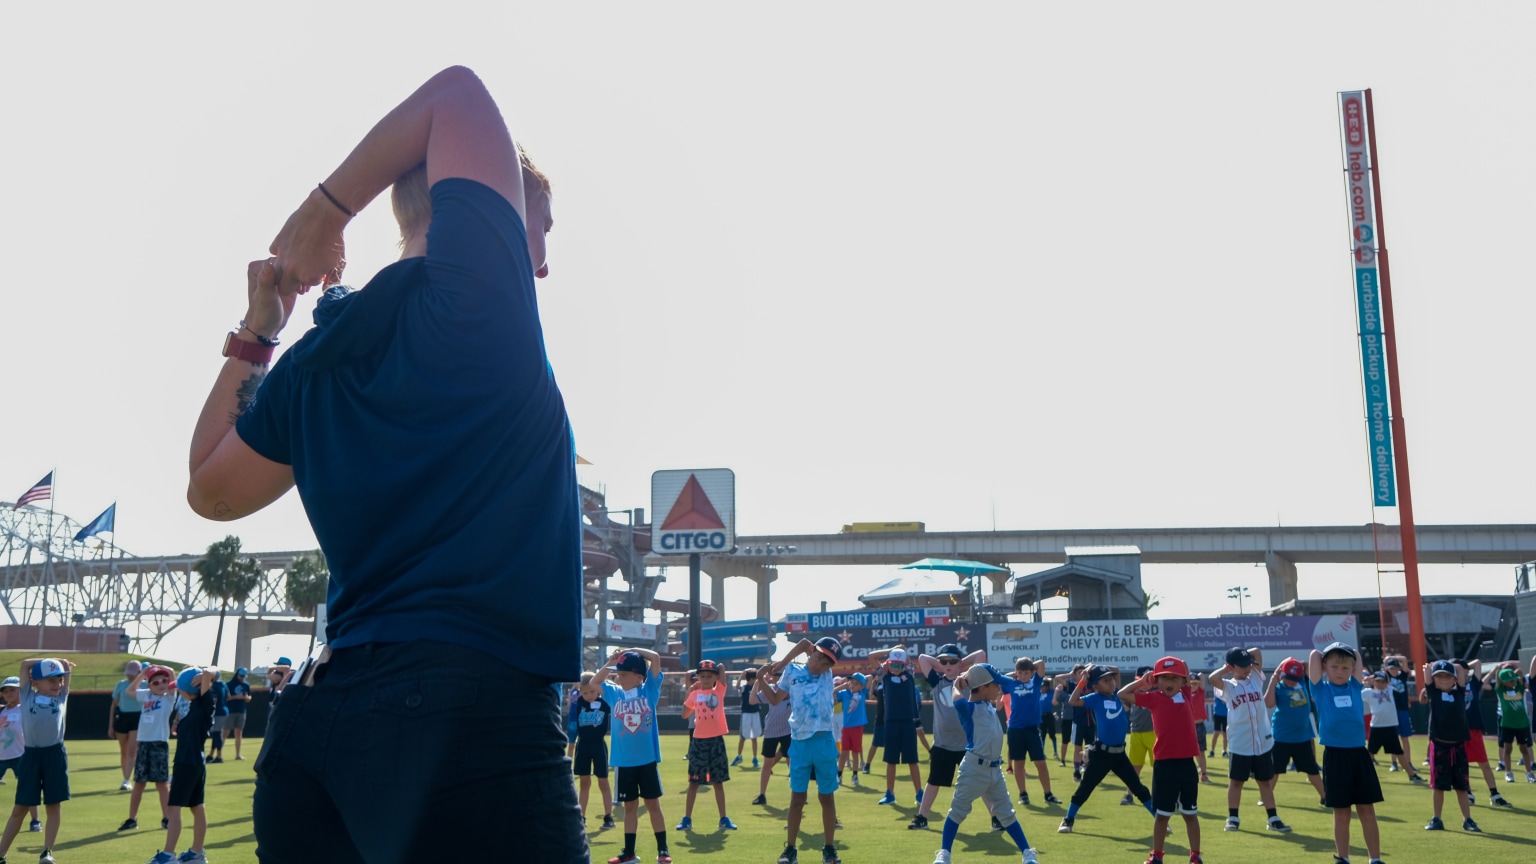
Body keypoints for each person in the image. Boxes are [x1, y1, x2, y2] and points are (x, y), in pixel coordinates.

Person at [186, 67, 581, 862]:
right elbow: (458, 94)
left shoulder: (313, 361)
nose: (540, 265)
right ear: (498, 213)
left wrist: (260, 334)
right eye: (540, 231)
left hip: (317, 732)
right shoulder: (477, 304)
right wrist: (320, 215)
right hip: (467, 724)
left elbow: (211, 492)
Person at [932, 664, 1039, 864]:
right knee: (958, 811)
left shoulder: (987, 703)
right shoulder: (968, 708)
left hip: (995, 770)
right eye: (995, 685)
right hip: (974, 769)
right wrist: (957, 685)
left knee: (1006, 813)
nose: (999, 688)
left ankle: (1027, 854)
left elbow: (999, 680)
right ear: (982, 688)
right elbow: (958, 699)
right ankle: (944, 854)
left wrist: (971, 677)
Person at [758, 637, 845, 864]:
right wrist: (763, 676)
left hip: (824, 741)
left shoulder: (826, 676)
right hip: (799, 743)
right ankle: (790, 849)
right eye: (819, 658)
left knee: (826, 797)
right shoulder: (791, 672)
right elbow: (775, 699)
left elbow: (806, 642)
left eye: (826, 663)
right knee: (797, 798)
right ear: (811, 653)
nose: (820, 665)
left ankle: (829, 848)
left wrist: (781, 663)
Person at [1119, 656, 1204, 864]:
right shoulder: (1153, 697)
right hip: (1164, 765)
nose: (1169, 682)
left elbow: (1185, 665)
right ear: (1156, 681)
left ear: (1183, 681)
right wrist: (1143, 682)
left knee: (1190, 814)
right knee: (1162, 815)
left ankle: (1195, 855)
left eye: (1174, 678)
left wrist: (1178, 667)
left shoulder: (1186, 694)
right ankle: (1156, 855)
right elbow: (1122, 694)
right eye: (1164, 678)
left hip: (1186, 765)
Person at [593, 649, 670, 864]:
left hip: (647, 760)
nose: (619, 678)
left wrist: (633, 651)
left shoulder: (649, 691)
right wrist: (611, 662)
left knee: (652, 804)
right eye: (618, 673)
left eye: (624, 674)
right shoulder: (614, 693)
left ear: (639, 676)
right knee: (629, 807)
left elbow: (655, 657)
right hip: (624, 762)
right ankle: (629, 852)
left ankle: (663, 851)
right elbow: (594, 682)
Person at [1310, 642, 1384, 864]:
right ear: (1325, 667)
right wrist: (1327, 658)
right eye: (1334, 667)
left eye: (1345, 668)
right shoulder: (1321, 689)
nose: (1340, 672)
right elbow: (1314, 655)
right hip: (1335, 756)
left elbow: (1357, 656)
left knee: (1366, 809)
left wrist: (1347, 656)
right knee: (1341, 812)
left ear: (1353, 670)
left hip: (1358, 754)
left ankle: (1375, 859)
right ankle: (1343, 857)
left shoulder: (1354, 686)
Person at [1059, 665, 1154, 834]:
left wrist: (1092, 666)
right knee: (1085, 789)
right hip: (1102, 755)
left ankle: (1160, 820)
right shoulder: (1095, 697)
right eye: (1105, 680)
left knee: (1138, 788)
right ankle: (1068, 819)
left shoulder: (1118, 694)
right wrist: (1083, 681)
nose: (1111, 682)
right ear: (1095, 685)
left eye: (1111, 679)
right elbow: (1073, 701)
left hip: (1119, 755)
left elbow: (1116, 669)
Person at [0, 659, 75, 864]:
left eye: (59, 680)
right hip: (31, 757)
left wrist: (62, 665)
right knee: (20, 808)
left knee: (53, 806)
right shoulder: (27, 695)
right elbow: (25, 664)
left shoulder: (62, 696)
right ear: (35, 682)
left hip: (55, 756)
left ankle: (47, 852)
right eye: (51, 680)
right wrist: (51, 662)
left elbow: (65, 675)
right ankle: (1, 854)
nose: (57, 684)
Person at [1211, 647, 1288, 833]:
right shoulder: (1228, 687)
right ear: (1231, 667)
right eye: (1243, 665)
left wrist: (1244, 655)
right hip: (1240, 742)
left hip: (1262, 740)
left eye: (1248, 664)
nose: (1247, 668)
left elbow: (1257, 651)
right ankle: (1233, 818)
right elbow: (1213, 678)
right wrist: (1227, 668)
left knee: (1265, 781)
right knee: (1236, 782)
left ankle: (1273, 818)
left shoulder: (1255, 678)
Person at [909, 643, 984, 830]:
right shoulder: (937, 681)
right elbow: (923, 659)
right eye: (944, 661)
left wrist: (961, 664)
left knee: (981, 782)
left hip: (968, 744)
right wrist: (943, 665)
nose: (948, 665)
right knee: (934, 781)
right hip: (943, 744)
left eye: (952, 661)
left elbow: (980, 655)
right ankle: (922, 817)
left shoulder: (968, 680)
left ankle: (997, 819)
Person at [145, 668, 217, 864]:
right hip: (194, 763)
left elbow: (210, 672)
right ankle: (196, 854)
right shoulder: (195, 706)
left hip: (187, 763)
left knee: (173, 808)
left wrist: (206, 675)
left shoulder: (203, 705)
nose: (177, 691)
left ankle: (168, 856)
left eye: (179, 688)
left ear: (188, 689)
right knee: (197, 807)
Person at [1420, 659, 1480, 832]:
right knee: (1439, 786)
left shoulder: (1459, 692)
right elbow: (1427, 674)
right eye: (1439, 677)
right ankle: (1437, 818)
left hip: (1458, 747)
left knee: (1462, 786)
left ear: (1454, 679)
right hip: (1440, 746)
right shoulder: (1433, 693)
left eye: (1447, 676)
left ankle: (1467, 819)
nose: (1444, 680)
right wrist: (1432, 668)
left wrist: (1450, 666)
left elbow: (1460, 669)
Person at [678, 660, 737, 831]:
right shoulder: (695, 694)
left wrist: (716, 669)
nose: (705, 679)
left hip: (716, 741)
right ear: (698, 677)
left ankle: (723, 818)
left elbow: (722, 667)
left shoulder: (719, 690)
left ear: (715, 678)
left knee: (718, 782)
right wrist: (690, 690)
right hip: (699, 741)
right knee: (694, 782)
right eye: (702, 676)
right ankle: (687, 819)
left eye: (709, 676)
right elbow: (684, 714)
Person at [118, 665, 176, 834]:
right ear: (149, 685)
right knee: (139, 783)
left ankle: (167, 818)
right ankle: (132, 819)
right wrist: (143, 673)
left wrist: (163, 669)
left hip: (159, 743)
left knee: (161, 784)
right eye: (156, 682)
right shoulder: (146, 695)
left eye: (164, 681)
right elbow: (130, 690)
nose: (161, 684)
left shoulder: (168, 697)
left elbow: (172, 675)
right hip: (143, 743)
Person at [1269, 657, 1335, 800]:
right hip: (1282, 738)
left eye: (1295, 678)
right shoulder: (1279, 687)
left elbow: (1309, 667)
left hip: (1302, 737)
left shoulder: (1303, 682)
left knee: (1312, 770)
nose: (1292, 681)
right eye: (1289, 678)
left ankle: (1325, 797)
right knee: (1274, 770)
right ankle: (1266, 798)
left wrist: (1297, 664)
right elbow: (1268, 703)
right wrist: (1274, 677)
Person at [866, 647, 923, 806]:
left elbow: (908, 659)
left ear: (904, 665)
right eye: (893, 664)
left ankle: (919, 793)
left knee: (912, 760)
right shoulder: (885, 676)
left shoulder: (909, 674)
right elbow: (871, 656)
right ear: (888, 664)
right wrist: (891, 650)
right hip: (890, 722)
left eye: (899, 665)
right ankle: (890, 794)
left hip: (908, 722)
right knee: (891, 760)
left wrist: (901, 653)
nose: (896, 668)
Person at [1002, 657, 1060, 808]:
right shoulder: (1012, 684)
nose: (1023, 676)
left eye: (1026, 673)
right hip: (1015, 728)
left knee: (1040, 762)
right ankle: (1023, 794)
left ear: (1031, 672)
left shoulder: (1035, 682)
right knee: (1019, 762)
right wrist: (1014, 674)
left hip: (1032, 729)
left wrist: (1030, 668)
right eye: (1020, 673)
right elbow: (1001, 679)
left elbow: (1041, 664)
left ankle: (1048, 794)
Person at [569, 672, 615, 831]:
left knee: (603, 781)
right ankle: (581, 816)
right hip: (583, 746)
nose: (589, 695)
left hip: (598, 746)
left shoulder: (605, 703)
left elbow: (609, 689)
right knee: (584, 782)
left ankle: (608, 816)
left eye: (592, 691)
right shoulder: (579, 702)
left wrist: (602, 681)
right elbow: (576, 686)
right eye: (585, 692)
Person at [1362, 670, 1420, 780]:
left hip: (1390, 727)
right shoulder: (1368, 692)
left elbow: (1389, 677)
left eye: (1383, 682)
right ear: (1374, 682)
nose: (1380, 684)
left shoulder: (1390, 689)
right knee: (1370, 753)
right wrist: (1367, 679)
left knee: (1399, 752)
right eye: (1378, 681)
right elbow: (1355, 691)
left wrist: (1376, 676)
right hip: (1377, 727)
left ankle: (1412, 775)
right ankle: (1359, 776)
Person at [0, 678, 39, 835]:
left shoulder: (25, 708)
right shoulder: (2, 711)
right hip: (1, 756)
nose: (9, 693)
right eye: (5, 691)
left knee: (28, 789)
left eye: (13, 690)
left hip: (20, 755)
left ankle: (35, 820)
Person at [753, 667, 793, 806]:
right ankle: (762, 795)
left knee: (791, 762)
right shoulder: (770, 689)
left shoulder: (792, 689)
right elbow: (752, 700)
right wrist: (758, 682)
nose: (777, 677)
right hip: (771, 731)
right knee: (767, 763)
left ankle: (797, 794)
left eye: (779, 675)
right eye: (775, 675)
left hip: (788, 730)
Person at [1491, 665, 1535, 783]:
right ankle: (1508, 772)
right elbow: (1498, 681)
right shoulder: (1501, 691)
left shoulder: (1519, 689)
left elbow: (1520, 673)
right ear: (1504, 682)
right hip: (1507, 725)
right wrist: (1499, 672)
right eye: (1510, 680)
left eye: (1514, 680)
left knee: (1524, 749)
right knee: (1507, 749)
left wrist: (1515, 674)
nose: (1513, 682)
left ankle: (1529, 773)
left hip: (1522, 724)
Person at [1123, 665, 1156, 806]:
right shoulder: (1132, 692)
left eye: (1147, 680)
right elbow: (1124, 706)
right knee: (1134, 766)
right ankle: (1129, 795)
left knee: (1159, 767)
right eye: (1141, 680)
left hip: (1154, 733)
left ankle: (1162, 795)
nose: (1144, 684)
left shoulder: (1158, 692)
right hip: (1136, 732)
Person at [109, 661, 144, 791]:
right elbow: (114, 705)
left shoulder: (145, 685)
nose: (129, 676)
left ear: (139, 673)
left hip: (137, 718)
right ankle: (126, 778)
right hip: (122, 718)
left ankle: (127, 780)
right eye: (128, 673)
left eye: (132, 674)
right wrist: (111, 726)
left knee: (131, 751)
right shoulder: (121, 684)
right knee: (123, 751)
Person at [1383, 655, 1417, 772]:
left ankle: (1408, 762)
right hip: (1391, 710)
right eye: (1391, 668)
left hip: (1403, 710)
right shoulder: (1386, 677)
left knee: (1405, 738)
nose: (1393, 670)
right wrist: (1387, 660)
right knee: (1394, 738)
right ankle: (1394, 763)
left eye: (1395, 668)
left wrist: (1391, 657)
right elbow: (1385, 663)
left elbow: (1404, 659)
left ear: (1398, 668)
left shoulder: (1402, 676)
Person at [835, 674, 868, 784]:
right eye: (852, 683)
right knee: (843, 752)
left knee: (855, 752)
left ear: (861, 686)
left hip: (857, 728)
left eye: (856, 684)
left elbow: (870, 678)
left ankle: (855, 775)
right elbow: (831, 693)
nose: (853, 685)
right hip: (846, 727)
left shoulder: (862, 693)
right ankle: (839, 775)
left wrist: (861, 680)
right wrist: (842, 686)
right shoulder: (845, 693)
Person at [734, 669, 762, 769]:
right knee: (743, 737)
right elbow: (737, 686)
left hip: (755, 713)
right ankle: (739, 756)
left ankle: (755, 758)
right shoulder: (744, 687)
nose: (756, 680)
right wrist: (742, 675)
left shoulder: (757, 687)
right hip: (746, 714)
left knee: (754, 737)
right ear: (751, 679)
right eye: (755, 678)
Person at [222, 668, 251, 761]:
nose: (242, 678)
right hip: (230, 710)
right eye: (241, 676)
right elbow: (225, 698)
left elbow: (249, 697)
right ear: (237, 675)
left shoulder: (246, 685)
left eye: (243, 676)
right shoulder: (229, 684)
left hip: (241, 710)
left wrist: (247, 698)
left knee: (239, 732)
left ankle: (238, 755)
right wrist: (236, 697)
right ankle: (218, 753)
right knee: (225, 732)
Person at [203, 672, 229, 764]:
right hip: (223, 711)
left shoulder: (214, 686)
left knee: (217, 734)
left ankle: (219, 756)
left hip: (217, 712)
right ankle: (211, 755)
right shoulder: (223, 684)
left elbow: (213, 700)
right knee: (216, 734)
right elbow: (228, 696)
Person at [1208, 688, 1227, 757]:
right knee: (1216, 732)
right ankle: (1212, 750)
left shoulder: (1226, 691)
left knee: (1225, 734)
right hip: (1217, 713)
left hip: (1226, 714)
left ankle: (1224, 751)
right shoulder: (1216, 690)